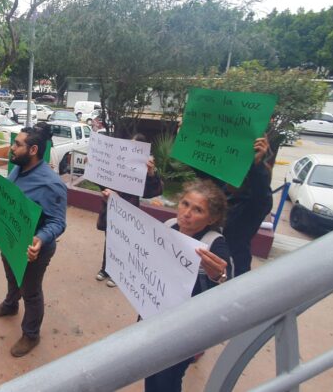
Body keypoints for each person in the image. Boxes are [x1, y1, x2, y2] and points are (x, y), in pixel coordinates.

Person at [138, 179, 231, 392]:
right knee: (149, 372)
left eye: (197, 209)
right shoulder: (169, 225)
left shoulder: (214, 243)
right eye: (185, 203)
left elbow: (229, 284)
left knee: (167, 380)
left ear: (213, 218)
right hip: (153, 316)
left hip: (184, 329)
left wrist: (219, 275)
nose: (187, 213)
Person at [0, 126, 67, 357]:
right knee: (12, 277)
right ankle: (10, 306)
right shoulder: (18, 168)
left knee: (31, 292)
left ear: (33, 149)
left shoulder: (52, 184)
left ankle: (31, 334)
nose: (12, 147)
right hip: (11, 239)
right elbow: (13, 195)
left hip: (34, 250)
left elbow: (58, 222)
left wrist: (40, 239)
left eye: (17, 144)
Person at [96, 133, 163, 287]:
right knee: (110, 239)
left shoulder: (145, 168)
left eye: (135, 147)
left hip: (129, 211)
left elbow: (153, 192)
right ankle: (106, 268)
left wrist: (151, 173)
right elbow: (103, 181)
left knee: (125, 241)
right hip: (112, 209)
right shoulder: (117, 162)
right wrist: (93, 165)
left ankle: (119, 273)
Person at [222, 137, 273, 276]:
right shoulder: (224, 194)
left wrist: (255, 164)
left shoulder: (254, 206)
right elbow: (205, 175)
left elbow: (261, 193)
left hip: (233, 268)